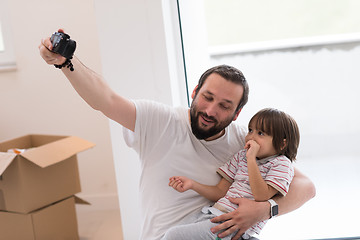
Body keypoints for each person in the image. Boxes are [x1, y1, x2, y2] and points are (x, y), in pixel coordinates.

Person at [38, 29, 316, 240]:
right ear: (195, 92)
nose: (210, 110)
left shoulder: (245, 141)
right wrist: (66, 63)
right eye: (207, 97)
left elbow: (306, 187)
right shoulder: (159, 120)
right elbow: (106, 100)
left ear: (236, 114)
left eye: (224, 106)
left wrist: (266, 210)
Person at [163, 108, 300, 239]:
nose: (251, 137)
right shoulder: (241, 156)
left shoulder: (282, 164)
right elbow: (220, 191)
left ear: (282, 144)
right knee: (171, 231)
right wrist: (192, 184)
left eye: (261, 133)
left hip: (233, 225)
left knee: (173, 236)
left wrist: (251, 159)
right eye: (250, 130)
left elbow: (261, 196)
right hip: (212, 213)